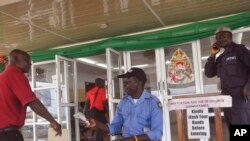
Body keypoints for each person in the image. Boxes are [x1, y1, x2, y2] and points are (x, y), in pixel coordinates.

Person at [0, 49, 62, 141]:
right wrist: (53, 122)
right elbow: (32, 102)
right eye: (26, 60)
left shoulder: (2, 77)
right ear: (16, 59)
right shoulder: (14, 73)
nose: (30, 64)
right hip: (8, 135)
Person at [87, 67, 163, 141]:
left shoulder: (153, 102)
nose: (124, 85)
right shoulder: (123, 102)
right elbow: (115, 127)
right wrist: (97, 124)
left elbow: (157, 132)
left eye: (128, 82)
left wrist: (133, 139)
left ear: (139, 83)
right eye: (124, 83)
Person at [205, 26, 250, 126]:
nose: (222, 38)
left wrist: (248, 86)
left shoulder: (241, 50)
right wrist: (213, 55)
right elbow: (209, 73)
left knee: (241, 130)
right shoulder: (221, 57)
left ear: (231, 36)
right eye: (219, 37)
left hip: (241, 100)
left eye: (224, 35)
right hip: (227, 100)